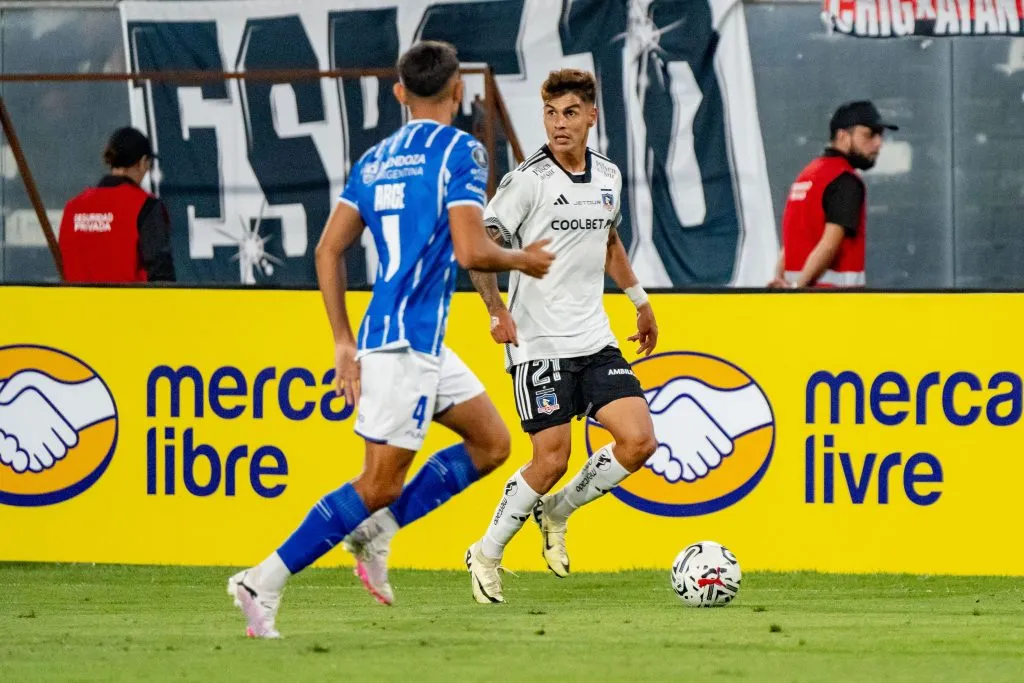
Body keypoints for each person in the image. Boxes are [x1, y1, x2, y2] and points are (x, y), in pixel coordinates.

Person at [227, 41, 554, 638]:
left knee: (492, 443)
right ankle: (261, 580)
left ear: (400, 94)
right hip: (404, 344)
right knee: (377, 484)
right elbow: (470, 249)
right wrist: (522, 259)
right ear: (457, 92)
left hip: (407, 338)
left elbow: (329, 249)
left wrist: (341, 341)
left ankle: (378, 531)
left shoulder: (376, 159)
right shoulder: (463, 149)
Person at [464, 68, 659, 603]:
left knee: (640, 441)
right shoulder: (528, 180)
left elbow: (609, 240)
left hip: (594, 338)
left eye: (570, 113)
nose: (559, 124)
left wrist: (639, 301)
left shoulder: (608, 177)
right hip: (538, 343)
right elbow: (481, 247)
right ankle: (486, 552)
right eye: (550, 114)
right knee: (552, 459)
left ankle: (559, 510)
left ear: (592, 116)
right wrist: (495, 308)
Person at [768, 100, 897, 289]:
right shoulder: (845, 181)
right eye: (869, 135)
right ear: (843, 136)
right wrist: (797, 288)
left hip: (801, 304)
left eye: (880, 136)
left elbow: (792, 242)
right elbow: (829, 245)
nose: (878, 144)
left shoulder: (808, 175)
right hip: (835, 305)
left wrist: (781, 279)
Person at [58, 127, 175, 283]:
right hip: (129, 306)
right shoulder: (145, 206)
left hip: (77, 305)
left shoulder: (73, 208)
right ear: (142, 162)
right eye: (148, 164)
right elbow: (162, 277)